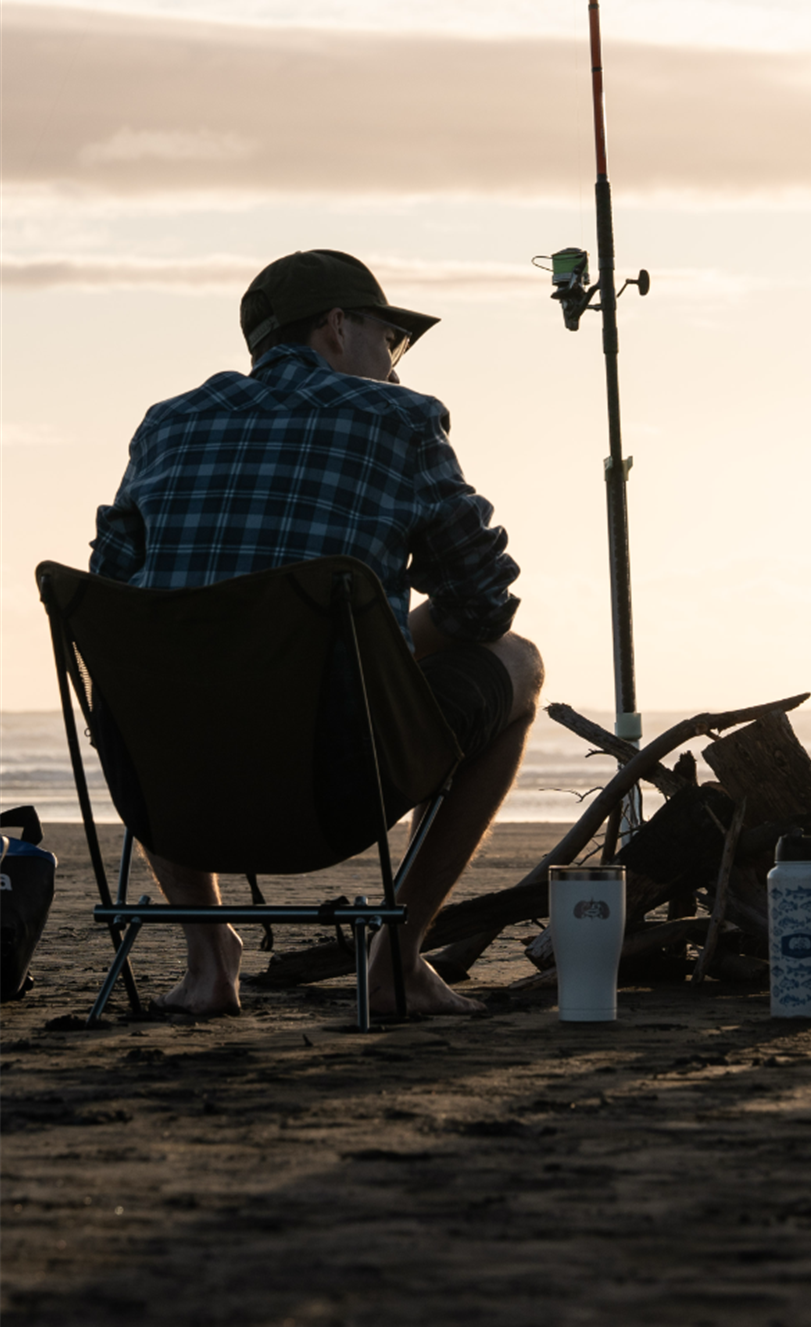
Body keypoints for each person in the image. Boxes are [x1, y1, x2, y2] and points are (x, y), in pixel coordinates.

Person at [90, 249, 543, 1018]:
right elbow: (483, 604)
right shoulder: (399, 420)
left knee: (145, 663)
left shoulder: (167, 424)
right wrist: (397, 637)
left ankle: (208, 961)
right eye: (391, 340)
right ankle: (394, 958)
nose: (394, 365)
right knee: (519, 663)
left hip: (174, 792)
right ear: (337, 326)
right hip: (336, 787)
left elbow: (112, 611)